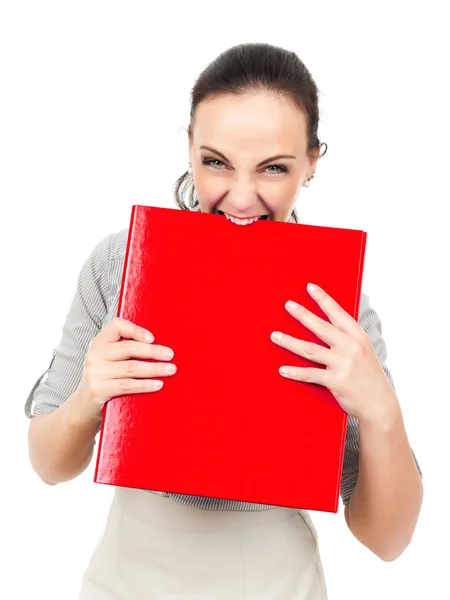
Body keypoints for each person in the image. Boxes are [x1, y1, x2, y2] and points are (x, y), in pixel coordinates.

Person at [25, 43, 423, 600]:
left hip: (276, 583)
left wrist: (381, 410)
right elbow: (47, 464)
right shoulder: (121, 262)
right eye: (216, 162)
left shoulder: (338, 306)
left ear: (312, 163)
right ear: (188, 146)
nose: (240, 198)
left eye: (274, 169)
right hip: (125, 580)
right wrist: (87, 396)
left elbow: (388, 540)